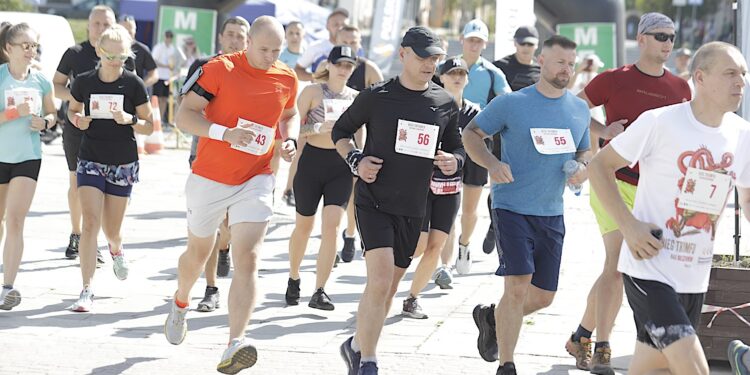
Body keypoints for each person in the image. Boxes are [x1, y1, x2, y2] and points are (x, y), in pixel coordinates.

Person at [588, 41, 750, 375]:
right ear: (700, 78)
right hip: (650, 268)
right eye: (731, 73)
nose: (741, 82)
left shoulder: (742, 134)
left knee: (653, 369)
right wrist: (629, 226)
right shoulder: (660, 122)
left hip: (694, 277)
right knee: (693, 368)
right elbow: (599, 167)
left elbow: (747, 199)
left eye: (744, 74)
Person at [164, 16, 298, 374]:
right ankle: (180, 302)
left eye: (277, 50)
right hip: (209, 177)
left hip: (256, 177)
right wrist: (224, 134)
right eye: (264, 48)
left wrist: (290, 140)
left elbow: (290, 114)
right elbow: (184, 117)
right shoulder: (218, 69)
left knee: (249, 257)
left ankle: (235, 343)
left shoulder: (286, 76)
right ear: (247, 43)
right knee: (198, 253)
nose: (270, 56)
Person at [565, 13, 691, 374]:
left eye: (671, 36)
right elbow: (571, 108)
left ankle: (581, 334)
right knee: (619, 266)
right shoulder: (614, 79)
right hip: (611, 178)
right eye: (660, 35)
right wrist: (603, 129)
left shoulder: (680, 88)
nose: (667, 42)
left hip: (653, 187)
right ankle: (603, 346)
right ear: (642, 38)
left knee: (624, 268)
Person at [334, 26, 463, 375]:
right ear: (403, 54)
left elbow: (458, 147)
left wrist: (456, 161)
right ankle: (370, 362)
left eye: (435, 57)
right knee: (378, 282)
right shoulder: (376, 96)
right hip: (373, 202)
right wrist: (356, 161)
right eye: (423, 56)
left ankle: (356, 345)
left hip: (413, 208)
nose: (430, 63)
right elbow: (340, 132)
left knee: (389, 289)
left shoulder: (444, 103)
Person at [466, 35, 591, 375]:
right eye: (560, 61)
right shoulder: (512, 103)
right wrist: (492, 164)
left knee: (543, 296)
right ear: (541, 60)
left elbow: (584, 151)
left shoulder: (579, 109)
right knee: (518, 285)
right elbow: (471, 134)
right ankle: (507, 364)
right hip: (511, 207)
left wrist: (582, 169)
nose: (566, 68)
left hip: (551, 211)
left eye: (571, 63)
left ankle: (492, 317)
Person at [66, 24, 153, 312]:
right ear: (99, 52)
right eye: (108, 55)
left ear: (127, 56)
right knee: (90, 222)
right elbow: (73, 109)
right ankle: (86, 289)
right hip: (90, 157)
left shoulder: (133, 84)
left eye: (119, 57)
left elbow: (150, 125)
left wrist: (128, 119)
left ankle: (116, 249)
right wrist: (78, 120)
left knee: (111, 229)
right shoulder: (84, 81)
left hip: (122, 161)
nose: (113, 62)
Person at [396, 57, 478, 317]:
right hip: (420, 185)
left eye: (461, 73)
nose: (456, 77)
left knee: (436, 246)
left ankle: (412, 298)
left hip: (450, 187)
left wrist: (456, 159)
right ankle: (385, 288)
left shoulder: (473, 113)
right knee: (417, 246)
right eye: (451, 73)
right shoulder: (428, 103)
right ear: (440, 77)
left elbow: (468, 146)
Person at [54, 5, 135, 264]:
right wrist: (80, 98)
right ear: (89, 25)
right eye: (97, 23)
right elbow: (56, 86)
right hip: (80, 126)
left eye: (107, 24)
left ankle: (101, 239)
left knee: (109, 197)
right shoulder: (74, 53)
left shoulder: (122, 54)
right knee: (76, 182)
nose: (101, 28)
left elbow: (135, 95)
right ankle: (77, 233)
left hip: (114, 136)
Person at [183, 15, 251, 313]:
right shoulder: (204, 66)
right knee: (208, 225)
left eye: (241, 36)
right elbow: (186, 105)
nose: (235, 40)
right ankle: (210, 288)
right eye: (231, 34)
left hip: (245, 161)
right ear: (221, 37)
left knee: (230, 225)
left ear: (248, 41)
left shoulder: (257, 72)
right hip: (207, 153)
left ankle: (225, 246)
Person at [285, 45, 358, 310]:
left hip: (340, 167)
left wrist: (358, 161)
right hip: (312, 163)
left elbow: (360, 135)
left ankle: (320, 290)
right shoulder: (313, 92)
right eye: (339, 64)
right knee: (303, 227)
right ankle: (294, 277)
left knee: (332, 228)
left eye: (349, 65)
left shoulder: (355, 98)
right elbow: (293, 126)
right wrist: (317, 127)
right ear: (329, 64)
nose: (344, 69)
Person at [0, 22, 57, 311]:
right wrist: (13, 113)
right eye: (25, 45)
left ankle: (8, 287)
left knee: (16, 220)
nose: (30, 50)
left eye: (33, 45)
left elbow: (52, 113)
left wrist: (45, 122)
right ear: (7, 48)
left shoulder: (41, 80)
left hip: (28, 156)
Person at [448, 18, 510, 275]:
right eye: (470, 39)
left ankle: (463, 245)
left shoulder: (493, 72)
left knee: (470, 207)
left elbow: (508, 101)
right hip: (448, 142)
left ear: (485, 44)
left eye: (479, 41)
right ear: (462, 39)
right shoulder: (448, 65)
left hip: (476, 143)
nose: (474, 44)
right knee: (446, 202)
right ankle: (443, 259)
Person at [481, 24, 542, 257]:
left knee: (520, 187)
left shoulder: (541, 69)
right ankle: (495, 225)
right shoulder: (501, 67)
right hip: (502, 137)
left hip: (532, 140)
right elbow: (490, 102)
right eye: (522, 43)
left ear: (536, 46)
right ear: (515, 43)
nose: (526, 48)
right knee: (498, 185)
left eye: (530, 44)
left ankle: (502, 227)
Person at [335, 24, 385, 263]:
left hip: (358, 138)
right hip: (330, 139)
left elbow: (387, 100)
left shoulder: (368, 69)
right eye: (345, 41)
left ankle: (350, 234)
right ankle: (331, 238)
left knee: (355, 188)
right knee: (332, 196)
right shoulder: (329, 66)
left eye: (354, 42)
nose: (350, 46)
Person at [279, 21, 306, 208]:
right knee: (274, 153)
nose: (295, 36)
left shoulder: (308, 56)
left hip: (305, 110)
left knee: (298, 153)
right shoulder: (281, 56)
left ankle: (289, 190)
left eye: (298, 32)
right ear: (286, 36)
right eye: (291, 33)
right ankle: (271, 190)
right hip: (284, 110)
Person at [294, 8, 348, 82]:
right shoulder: (316, 47)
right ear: (327, 26)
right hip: (319, 92)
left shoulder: (353, 49)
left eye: (344, 25)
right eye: (336, 24)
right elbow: (297, 70)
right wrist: (317, 77)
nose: (340, 28)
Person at [151, 30, 186, 124]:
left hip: (168, 77)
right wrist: (166, 66)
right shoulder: (159, 47)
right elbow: (154, 61)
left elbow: (176, 62)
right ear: (165, 37)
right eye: (167, 36)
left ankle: (160, 119)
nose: (169, 39)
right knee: (156, 99)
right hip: (159, 76)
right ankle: (153, 118)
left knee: (164, 99)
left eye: (170, 37)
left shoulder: (172, 48)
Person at [118, 15, 158, 88]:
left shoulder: (142, 49)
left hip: (133, 93)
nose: (127, 35)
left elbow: (154, 75)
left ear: (135, 30)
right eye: (124, 31)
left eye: (130, 32)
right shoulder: (110, 47)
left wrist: (140, 86)